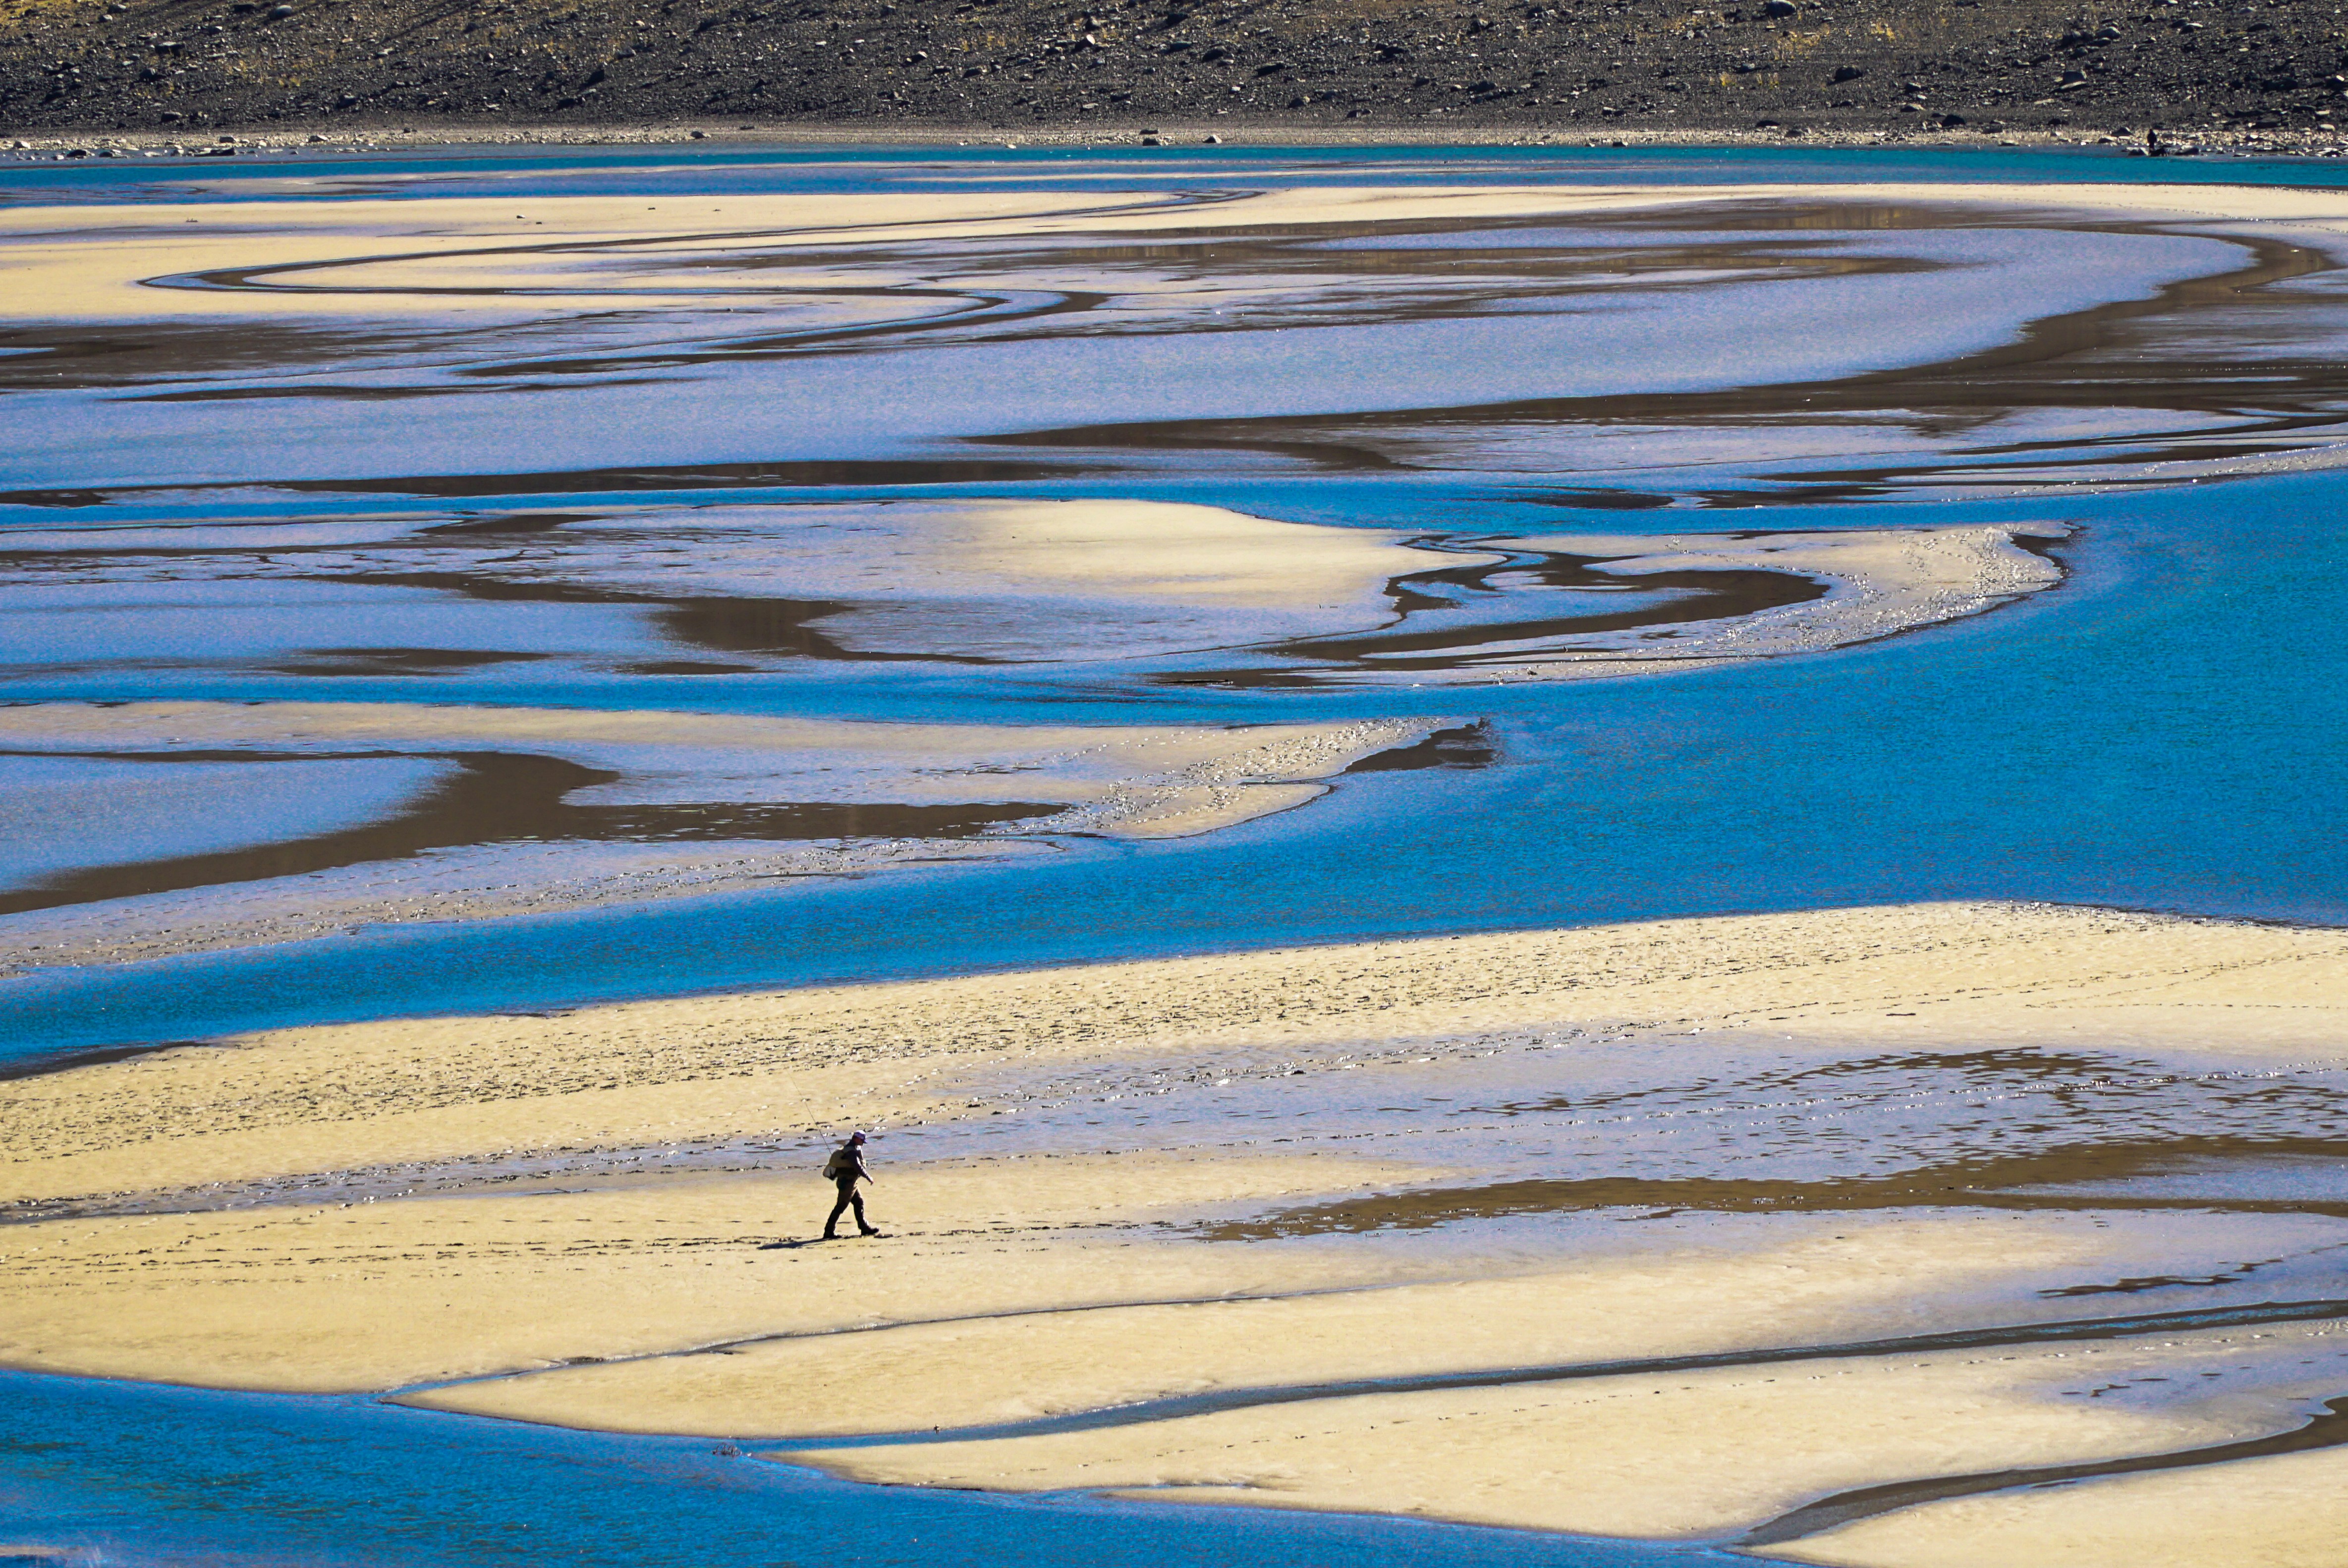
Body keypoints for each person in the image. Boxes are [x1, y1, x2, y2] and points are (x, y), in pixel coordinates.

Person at [822, 1131, 879, 1239]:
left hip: (851, 1182)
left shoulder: (850, 1149)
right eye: (862, 1141)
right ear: (856, 1139)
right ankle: (828, 1232)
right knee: (841, 1207)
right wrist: (869, 1177)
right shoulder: (851, 1152)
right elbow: (858, 1166)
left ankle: (864, 1228)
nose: (863, 1143)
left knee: (859, 1202)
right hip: (847, 1183)